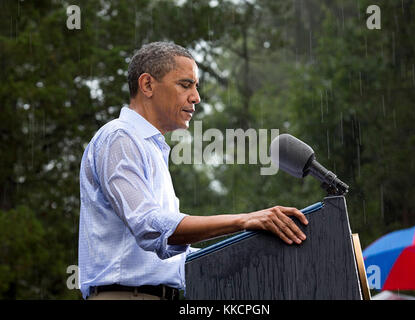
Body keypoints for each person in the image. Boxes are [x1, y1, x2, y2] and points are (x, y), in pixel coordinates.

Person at [78, 41, 308, 300]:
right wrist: (244, 220)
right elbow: (148, 224)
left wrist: (256, 249)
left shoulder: (151, 147)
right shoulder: (119, 138)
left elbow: (172, 256)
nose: (196, 97)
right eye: (185, 85)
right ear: (147, 85)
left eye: (195, 87)